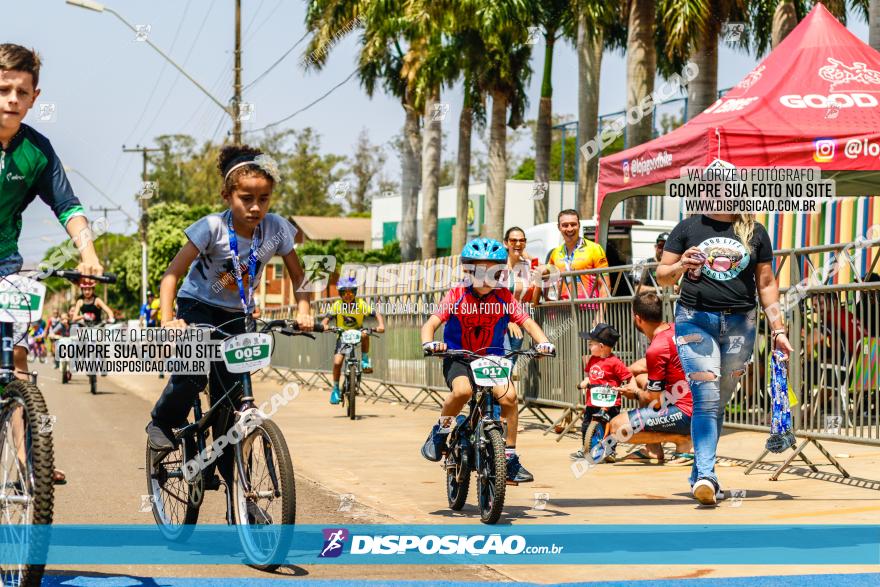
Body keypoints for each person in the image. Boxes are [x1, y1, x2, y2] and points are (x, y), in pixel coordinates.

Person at [145, 145, 314, 465]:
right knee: (193, 372)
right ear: (227, 195)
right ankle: (162, 421)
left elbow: (298, 275)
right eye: (245, 199)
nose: (255, 207)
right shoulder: (212, 228)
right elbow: (171, 275)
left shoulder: (277, 228)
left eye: (263, 199)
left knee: (235, 399)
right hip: (197, 304)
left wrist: (303, 309)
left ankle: (238, 485)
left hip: (237, 312)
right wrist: (169, 320)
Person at [1, 45, 106, 486]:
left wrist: (88, 253)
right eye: (3, 88)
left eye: (20, 92)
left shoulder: (37, 151)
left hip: (6, 264)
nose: (10, 99)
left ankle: (30, 461)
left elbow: (67, 206)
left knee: (18, 359)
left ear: (34, 98)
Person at [658, 213, 792, 505]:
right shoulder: (688, 227)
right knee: (705, 397)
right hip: (695, 320)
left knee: (719, 401)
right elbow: (662, 275)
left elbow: (766, 284)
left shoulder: (755, 231)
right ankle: (708, 474)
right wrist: (682, 265)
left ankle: (700, 476)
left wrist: (778, 329)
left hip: (740, 324)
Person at [420, 238, 556, 484]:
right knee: (462, 391)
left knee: (509, 397)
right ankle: (440, 431)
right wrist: (430, 342)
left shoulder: (504, 295)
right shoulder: (457, 293)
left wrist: (543, 342)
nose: (485, 276)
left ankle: (510, 457)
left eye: (492, 270)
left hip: (491, 358)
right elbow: (431, 323)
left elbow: (527, 322)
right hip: (458, 356)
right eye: (479, 270)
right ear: (467, 270)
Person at [607, 291, 694, 465]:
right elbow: (643, 366)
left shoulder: (657, 347)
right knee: (641, 379)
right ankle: (653, 450)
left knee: (616, 428)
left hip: (686, 413)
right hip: (696, 406)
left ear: (637, 318)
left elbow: (652, 398)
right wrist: (621, 374)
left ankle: (684, 441)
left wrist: (635, 393)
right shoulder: (673, 329)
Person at [570, 323, 632, 461]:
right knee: (586, 424)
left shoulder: (615, 362)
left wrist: (626, 388)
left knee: (610, 426)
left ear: (602, 346)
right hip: (593, 400)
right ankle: (585, 448)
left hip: (611, 402)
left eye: (591, 343)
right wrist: (585, 381)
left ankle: (610, 451)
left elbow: (628, 377)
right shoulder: (592, 359)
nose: (588, 346)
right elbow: (588, 375)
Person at [321, 276, 386, 405]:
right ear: (340, 294)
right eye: (344, 293)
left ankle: (365, 360)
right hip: (342, 335)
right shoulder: (337, 305)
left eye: (350, 292)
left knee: (365, 334)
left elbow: (376, 313)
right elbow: (326, 318)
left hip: (357, 332)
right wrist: (323, 325)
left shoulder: (361, 304)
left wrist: (381, 325)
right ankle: (335, 389)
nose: (347, 296)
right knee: (337, 361)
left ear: (355, 293)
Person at [539, 209, 609, 303]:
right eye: (565, 225)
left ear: (579, 225)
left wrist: (600, 315)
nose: (569, 229)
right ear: (558, 227)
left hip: (588, 309)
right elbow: (547, 279)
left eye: (573, 224)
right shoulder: (555, 253)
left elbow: (605, 285)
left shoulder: (595, 248)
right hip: (562, 309)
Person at [502, 227, 538, 366]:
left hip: (519, 321)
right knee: (504, 361)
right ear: (506, 243)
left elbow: (533, 300)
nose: (518, 243)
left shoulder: (528, 265)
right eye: (513, 240)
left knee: (510, 363)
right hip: (500, 321)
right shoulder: (498, 265)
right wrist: (508, 321)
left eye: (522, 240)